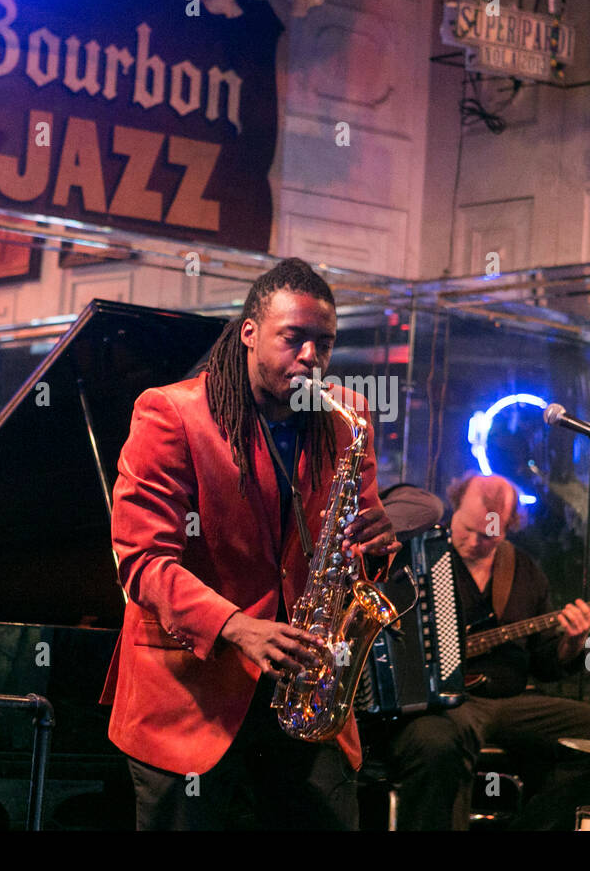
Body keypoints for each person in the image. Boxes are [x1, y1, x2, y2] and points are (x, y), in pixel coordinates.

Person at [100, 257, 398, 830]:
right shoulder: (170, 413)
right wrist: (237, 626)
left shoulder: (346, 419)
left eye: (325, 343)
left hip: (306, 688)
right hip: (192, 694)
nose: (311, 357)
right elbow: (142, 562)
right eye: (294, 338)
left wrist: (375, 546)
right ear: (250, 332)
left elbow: (352, 555)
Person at [387, 473, 590, 830]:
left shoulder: (525, 570)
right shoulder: (422, 556)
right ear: (454, 507)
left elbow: (545, 662)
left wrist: (572, 643)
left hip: (513, 701)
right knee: (443, 741)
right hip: (453, 701)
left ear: (508, 528)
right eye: (466, 528)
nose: (472, 541)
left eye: (488, 536)